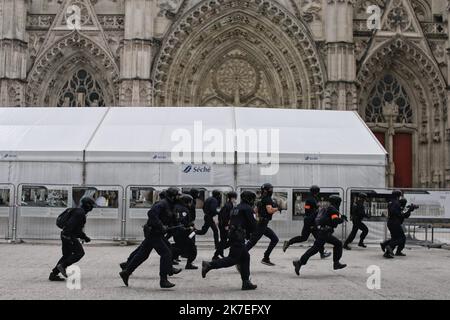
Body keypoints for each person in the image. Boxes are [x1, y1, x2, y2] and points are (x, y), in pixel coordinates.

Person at [119, 187, 182, 289]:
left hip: (157, 233)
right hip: (153, 232)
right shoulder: (162, 204)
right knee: (165, 253)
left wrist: (177, 224)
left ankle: (126, 272)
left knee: (143, 254)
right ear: (172, 196)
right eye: (177, 195)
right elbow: (151, 214)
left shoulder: (171, 205)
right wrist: (161, 225)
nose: (179, 197)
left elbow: (171, 218)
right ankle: (163, 280)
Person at [201, 191, 258, 290]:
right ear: (249, 199)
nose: (253, 201)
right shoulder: (248, 209)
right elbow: (253, 225)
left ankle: (246, 282)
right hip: (239, 236)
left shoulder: (236, 208)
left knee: (245, 257)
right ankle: (210, 265)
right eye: (253, 199)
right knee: (233, 259)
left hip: (233, 234)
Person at [293, 195, 347, 276]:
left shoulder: (328, 208)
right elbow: (334, 219)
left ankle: (300, 262)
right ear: (337, 202)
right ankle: (336, 263)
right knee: (338, 244)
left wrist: (340, 217)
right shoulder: (333, 209)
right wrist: (342, 219)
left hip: (323, 231)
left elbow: (331, 218)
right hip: (325, 233)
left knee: (315, 249)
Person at [49, 197, 95, 281]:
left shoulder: (77, 211)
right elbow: (74, 228)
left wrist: (82, 236)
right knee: (79, 253)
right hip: (69, 236)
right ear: (88, 206)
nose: (92, 208)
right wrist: (84, 237)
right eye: (92, 205)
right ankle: (63, 266)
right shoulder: (80, 213)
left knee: (66, 255)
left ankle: (53, 274)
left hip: (65, 234)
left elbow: (74, 228)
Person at [119, 190, 167, 271]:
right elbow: (153, 216)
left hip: (153, 230)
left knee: (142, 249)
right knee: (144, 250)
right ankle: (127, 265)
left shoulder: (160, 204)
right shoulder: (160, 204)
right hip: (153, 231)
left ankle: (127, 264)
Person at [283, 185, 331, 259]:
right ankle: (322, 254)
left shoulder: (314, 198)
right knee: (317, 238)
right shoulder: (309, 200)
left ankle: (289, 242)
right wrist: (312, 222)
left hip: (311, 221)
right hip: (310, 221)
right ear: (316, 192)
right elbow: (308, 211)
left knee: (305, 237)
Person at [245, 183, 279, 266]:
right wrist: (278, 208)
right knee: (252, 242)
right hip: (262, 224)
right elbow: (269, 211)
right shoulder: (268, 199)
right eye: (270, 189)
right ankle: (237, 257)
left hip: (261, 223)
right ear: (266, 190)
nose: (271, 190)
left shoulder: (261, 199)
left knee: (275, 239)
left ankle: (266, 258)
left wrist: (257, 220)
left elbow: (255, 211)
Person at [380, 191, 415, 258]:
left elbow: (401, 214)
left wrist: (408, 210)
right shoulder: (396, 203)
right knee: (401, 238)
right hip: (394, 223)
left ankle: (387, 251)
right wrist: (405, 212)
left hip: (391, 222)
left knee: (395, 238)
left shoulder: (391, 202)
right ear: (397, 196)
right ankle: (389, 246)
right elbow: (399, 214)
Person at [171, 194, 198, 270]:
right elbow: (182, 221)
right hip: (184, 232)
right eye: (190, 202)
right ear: (187, 202)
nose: (191, 204)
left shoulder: (176, 207)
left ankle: (171, 258)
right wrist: (190, 227)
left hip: (177, 232)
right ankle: (189, 264)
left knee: (180, 247)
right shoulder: (183, 209)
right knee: (192, 248)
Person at [212, 191, 238, 260]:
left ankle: (219, 252)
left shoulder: (229, 205)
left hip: (223, 225)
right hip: (224, 225)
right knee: (224, 240)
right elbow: (224, 216)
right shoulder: (228, 205)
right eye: (235, 198)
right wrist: (226, 225)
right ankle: (216, 254)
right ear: (232, 198)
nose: (235, 199)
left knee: (224, 240)